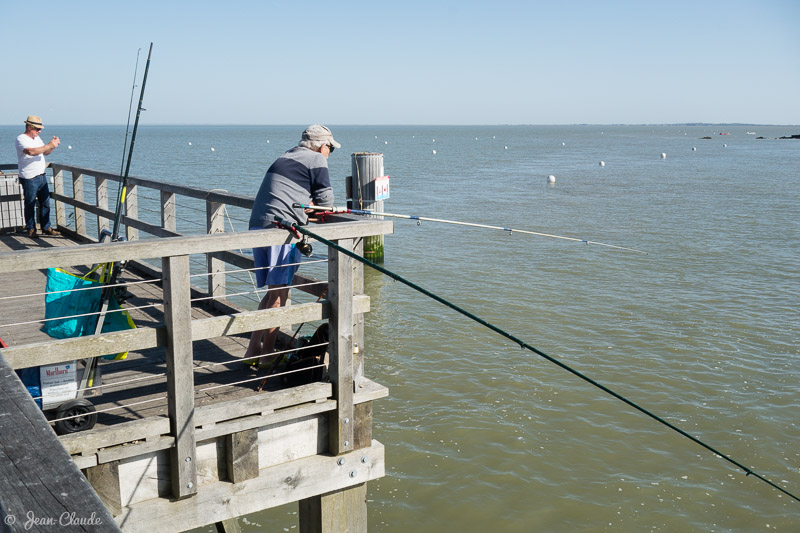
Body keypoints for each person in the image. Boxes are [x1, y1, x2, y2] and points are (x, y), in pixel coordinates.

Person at [244, 124, 339, 368]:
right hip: (280, 231)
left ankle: (252, 351)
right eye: (330, 147)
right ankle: (267, 357)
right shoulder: (317, 158)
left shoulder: (285, 155)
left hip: (258, 225)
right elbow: (326, 202)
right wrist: (315, 208)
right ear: (321, 145)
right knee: (279, 295)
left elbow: (287, 193)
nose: (330, 153)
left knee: (272, 293)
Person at [15, 115, 60, 237]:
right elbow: (31, 152)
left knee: (45, 202)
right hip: (29, 177)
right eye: (37, 129)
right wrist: (49, 145)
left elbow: (45, 151)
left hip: (41, 176)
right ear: (30, 127)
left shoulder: (37, 138)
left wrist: (53, 146)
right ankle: (31, 229)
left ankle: (46, 227)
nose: (39, 131)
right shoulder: (21, 139)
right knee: (30, 203)